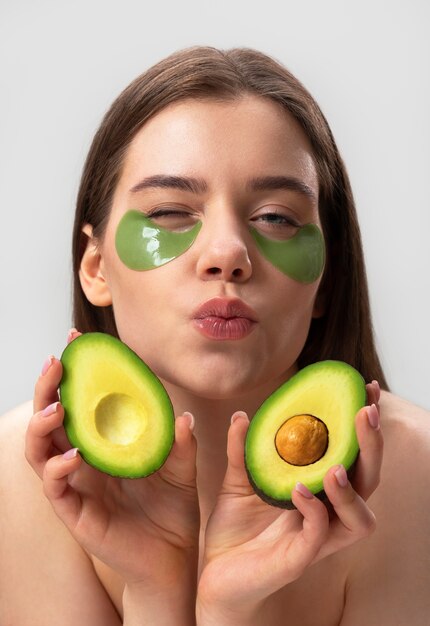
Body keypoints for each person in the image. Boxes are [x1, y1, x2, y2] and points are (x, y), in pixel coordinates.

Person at [0, 45, 429, 626]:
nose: (227, 254)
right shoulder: (21, 475)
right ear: (97, 267)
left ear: (327, 280)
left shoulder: (415, 476)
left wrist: (233, 607)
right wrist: (155, 586)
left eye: (276, 217)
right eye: (171, 212)